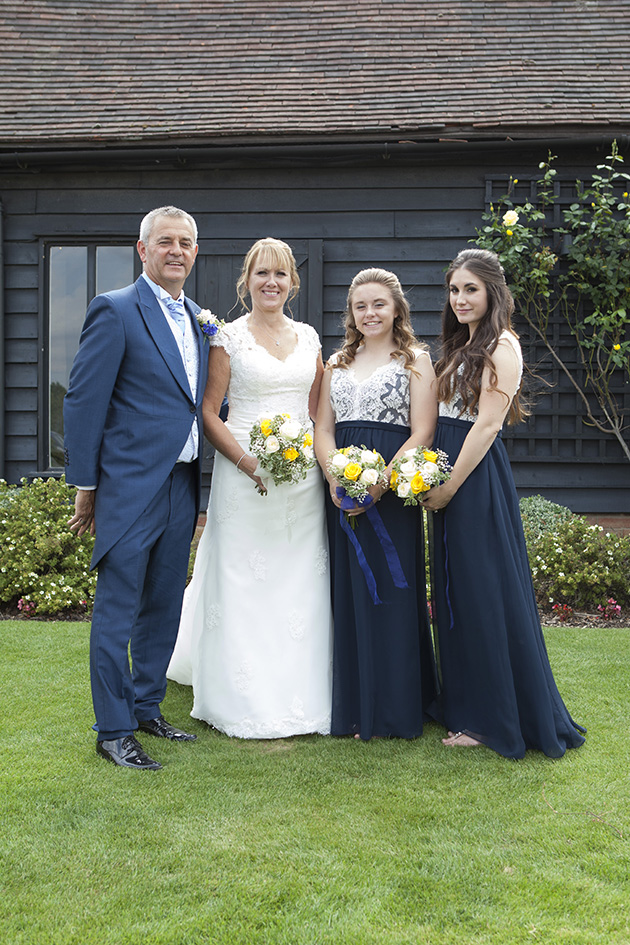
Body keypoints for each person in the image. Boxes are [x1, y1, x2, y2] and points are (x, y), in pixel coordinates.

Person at [422, 248, 586, 758]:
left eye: (470, 289)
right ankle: (465, 703)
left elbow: (488, 425)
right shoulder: (460, 344)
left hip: (473, 481)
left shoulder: (502, 345)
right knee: (455, 594)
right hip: (447, 468)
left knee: (482, 594)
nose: (461, 298)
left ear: (492, 291)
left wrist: (448, 485)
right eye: (454, 290)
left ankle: (492, 719)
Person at [168, 237, 332, 738]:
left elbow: (318, 408)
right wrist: (244, 462)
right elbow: (209, 412)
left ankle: (300, 684)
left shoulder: (309, 338)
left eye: (280, 274)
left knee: (298, 576)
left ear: (292, 283)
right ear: (247, 280)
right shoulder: (227, 338)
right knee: (243, 575)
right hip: (243, 473)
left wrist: (321, 459)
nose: (271, 282)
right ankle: (238, 692)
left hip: (301, 478)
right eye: (262, 273)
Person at [64, 206, 207, 770]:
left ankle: (146, 706)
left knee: (164, 603)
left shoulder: (199, 318)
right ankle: (113, 729)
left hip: (181, 484)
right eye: (165, 241)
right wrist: (86, 483)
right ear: (142, 250)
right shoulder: (115, 309)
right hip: (128, 487)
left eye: (187, 243)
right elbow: (83, 400)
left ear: (195, 253)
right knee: (118, 609)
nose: (177, 250)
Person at [314, 268, 438, 741]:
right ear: (351, 312)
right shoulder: (337, 361)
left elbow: (422, 431)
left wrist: (379, 484)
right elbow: (323, 428)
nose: (369, 313)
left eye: (379, 305)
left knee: (392, 589)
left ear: (396, 309)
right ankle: (353, 705)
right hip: (342, 489)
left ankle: (396, 707)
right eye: (361, 306)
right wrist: (335, 478)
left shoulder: (417, 360)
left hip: (391, 489)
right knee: (348, 591)